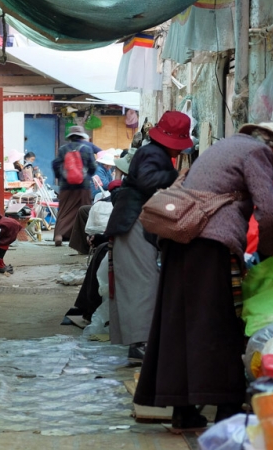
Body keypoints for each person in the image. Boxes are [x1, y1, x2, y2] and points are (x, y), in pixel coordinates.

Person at [134, 121, 273, 430]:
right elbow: (270, 211)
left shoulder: (222, 146)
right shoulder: (257, 152)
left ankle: (183, 410)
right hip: (212, 244)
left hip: (181, 239)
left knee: (180, 323)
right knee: (219, 322)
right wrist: (271, 254)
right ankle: (227, 407)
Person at [105, 112, 190, 362]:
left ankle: (141, 342)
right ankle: (140, 344)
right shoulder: (153, 154)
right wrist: (180, 178)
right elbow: (148, 180)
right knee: (143, 283)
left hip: (134, 221)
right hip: (134, 222)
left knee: (141, 282)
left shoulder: (153, 152)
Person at [52, 126, 97, 246]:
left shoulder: (63, 149)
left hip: (66, 186)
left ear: (70, 137)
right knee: (84, 209)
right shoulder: (87, 149)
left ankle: (59, 235)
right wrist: (86, 177)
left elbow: (56, 164)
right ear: (82, 136)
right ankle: (83, 237)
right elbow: (93, 167)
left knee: (65, 210)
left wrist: (61, 177)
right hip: (84, 186)